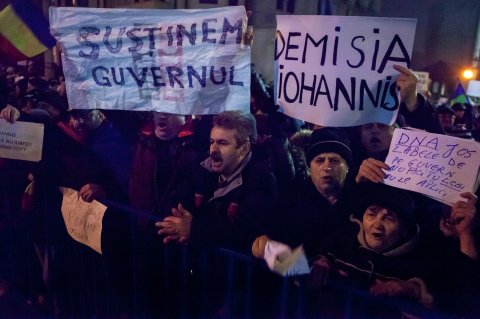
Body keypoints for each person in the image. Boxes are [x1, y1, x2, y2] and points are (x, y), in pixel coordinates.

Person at [307, 183, 436, 318]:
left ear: (405, 230)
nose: (377, 224)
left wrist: (415, 290)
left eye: (389, 217)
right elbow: (297, 270)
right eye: (372, 213)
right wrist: (318, 262)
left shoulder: (417, 265)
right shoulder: (338, 242)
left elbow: (439, 304)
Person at [252, 127, 354, 260]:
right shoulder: (291, 200)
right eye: (319, 160)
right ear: (309, 167)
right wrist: (265, 245)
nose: (327, 167)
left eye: (334, 161)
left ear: (347, 167)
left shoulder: (357, 202)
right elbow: (274, 245)